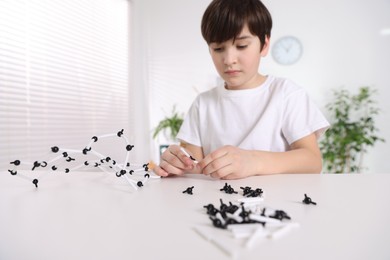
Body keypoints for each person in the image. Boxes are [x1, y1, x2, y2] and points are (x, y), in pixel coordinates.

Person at [153, 0, 329, 179]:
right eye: (218, 48)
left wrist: (253, 161)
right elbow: (192, 167)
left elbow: (312, 161)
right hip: (217, 203)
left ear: (265, 45)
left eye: (242, 46)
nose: (229, 59)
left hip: (277, 202)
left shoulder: (286, 94)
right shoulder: (203, 103)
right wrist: (177, 163)